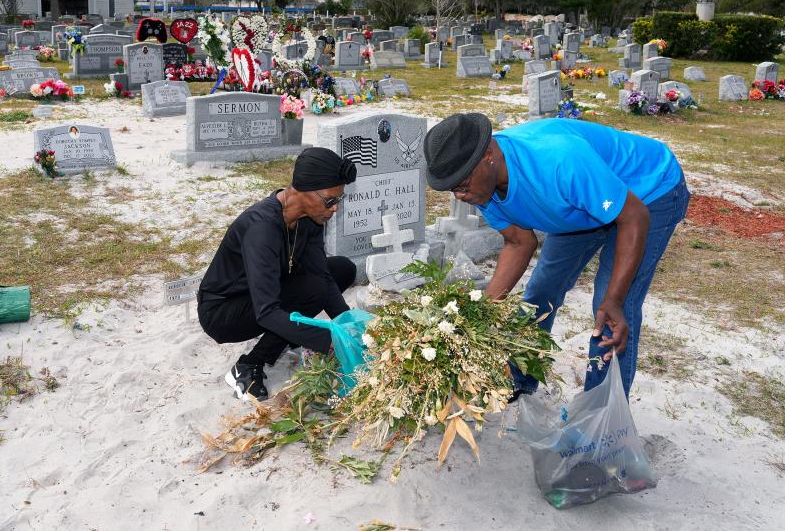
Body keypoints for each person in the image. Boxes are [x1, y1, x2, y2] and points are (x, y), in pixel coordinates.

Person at [423, 113, 688, 399]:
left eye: (462, 185)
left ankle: (600, 416)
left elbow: (632, 216)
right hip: (581, 205)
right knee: (540, 294)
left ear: (488, 156)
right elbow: (518, 242)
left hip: (648, 193)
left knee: (609, 307)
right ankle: (519, 379)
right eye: (453, 189)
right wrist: (483, 311)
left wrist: (615, 300)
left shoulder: (558, 161)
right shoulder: (481, 188)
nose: (459, 195)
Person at [198, 147, 358, 401]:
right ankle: (249, 364)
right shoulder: (261, 228)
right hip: (223, 311)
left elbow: (322, 274)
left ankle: (290, 334)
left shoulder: (310, 217)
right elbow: (267, 310)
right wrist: (327, 340)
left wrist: (349, 326)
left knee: (341, 270)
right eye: (330, 200)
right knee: (311, 292)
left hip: (263, 292)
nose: (335, 208)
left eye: (339, 200)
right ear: (303, 191)